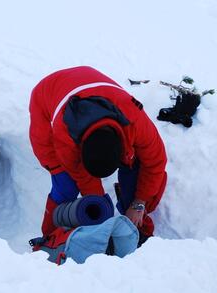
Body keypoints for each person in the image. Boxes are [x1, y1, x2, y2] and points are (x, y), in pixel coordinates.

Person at [29, 66, 167, 246]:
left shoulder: (136, 122)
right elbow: (83, 178)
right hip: (47, 95)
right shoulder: (66, 138)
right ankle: (50, 239)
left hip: (97, 90)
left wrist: (138, 203)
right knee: (65, 183)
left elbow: (156, 163)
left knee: (136, 171)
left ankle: (138, 229)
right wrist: (101, 214)